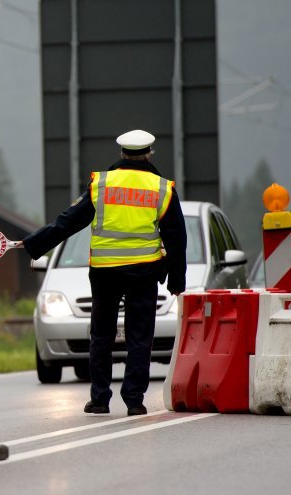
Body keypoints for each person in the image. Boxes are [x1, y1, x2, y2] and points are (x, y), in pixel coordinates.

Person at [23, 129, 187, 416]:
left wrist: (35, 244)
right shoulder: (162, 188)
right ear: (149, 153)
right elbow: (176, 238)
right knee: (140, 336)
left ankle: (99, 398)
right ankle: (134, 401)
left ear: (122, 153)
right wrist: (177, 280)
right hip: (144, 272)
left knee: (101, 334)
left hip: (105, 271)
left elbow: (69, 221)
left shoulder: (102, 183)